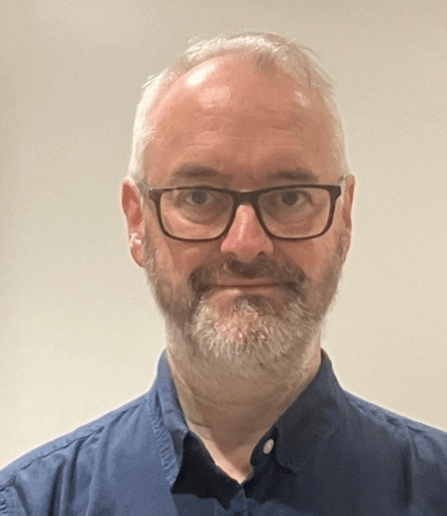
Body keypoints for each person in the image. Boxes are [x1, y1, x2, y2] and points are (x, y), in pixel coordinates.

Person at [1, 32, 446, 515]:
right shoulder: (32, 504)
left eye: (290, 197)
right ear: (136, 221)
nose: (246, 244)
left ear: (344, 219)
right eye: (199, 197)